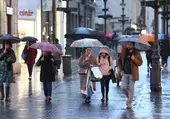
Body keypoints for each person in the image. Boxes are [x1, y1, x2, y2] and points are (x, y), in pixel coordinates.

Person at [118, 42, 142, 109]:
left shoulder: (136, 52)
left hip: (133, 73)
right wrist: (121, 70)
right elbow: (119, 61)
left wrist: (134, 59)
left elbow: (140, 63)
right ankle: (130, 97)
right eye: (128, 44)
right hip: (125, 73)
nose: (128, 46)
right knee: (123, 87)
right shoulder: (124, 51)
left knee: (131, 89)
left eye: (130, 45)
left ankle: (129, 103)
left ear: (133, 45)